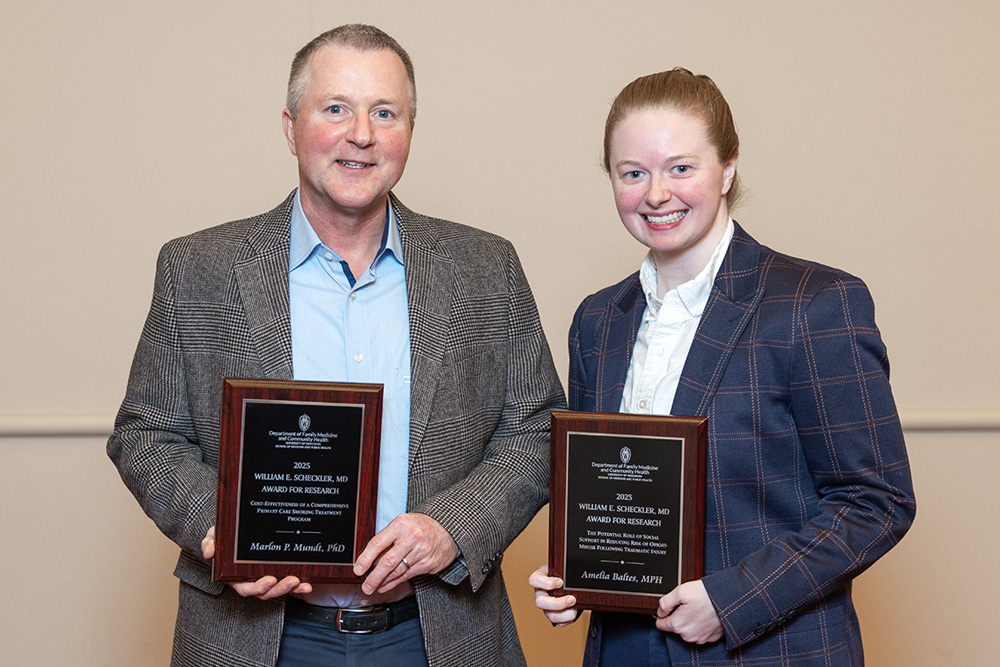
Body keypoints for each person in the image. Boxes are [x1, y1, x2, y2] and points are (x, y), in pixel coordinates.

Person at [108, 24, 565, 667]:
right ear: (291, 128)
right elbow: (145, 433)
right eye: (336, 109)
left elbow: (538, 428)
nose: (362, 134)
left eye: (386, 112)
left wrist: (453, 528)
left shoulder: (486, 268)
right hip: (256, 637)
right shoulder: (198, 269)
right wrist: (224, 533)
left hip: (436, 633)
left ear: (410, 128)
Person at [529, 68, 915, 666]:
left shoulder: (812, 303)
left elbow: (876, 501)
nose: (656, 193)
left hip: (765, 649)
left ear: (728, 168)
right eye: (633, 173)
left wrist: (732, 600)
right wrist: (577, 577)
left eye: (681, 167)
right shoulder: (598, 321)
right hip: (623, 650)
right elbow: (604, 491)